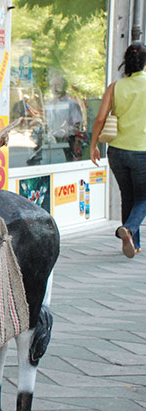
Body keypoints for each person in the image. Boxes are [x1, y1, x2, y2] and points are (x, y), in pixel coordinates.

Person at [90, 42, 146, 259]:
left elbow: (101, 118)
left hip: (117, 152)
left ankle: (134, 243)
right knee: (143, 197)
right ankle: (130, 229)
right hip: (142, 151)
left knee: (128, 195)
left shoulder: (115, 86)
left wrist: (94, 145)